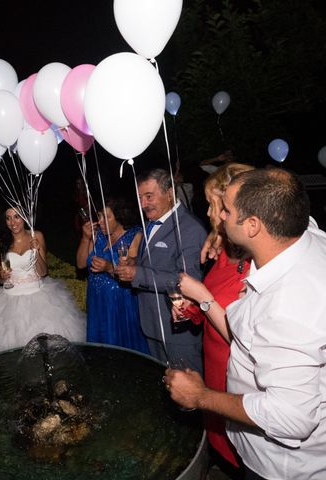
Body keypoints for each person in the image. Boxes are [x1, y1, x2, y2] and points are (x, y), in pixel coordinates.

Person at [165, 168, 326, 480]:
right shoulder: (305, 235)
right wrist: (222, 236)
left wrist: (200, 396)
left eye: (227, 211)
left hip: (281, 468)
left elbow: (291, 418)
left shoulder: (286, 306)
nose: (219, 217)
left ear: (254, 225)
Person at [172, 162, 254, 476]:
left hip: (238, 376)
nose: (207, 213)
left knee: (242, 456)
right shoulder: (226, 249)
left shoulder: (257, 265)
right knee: (221, 447)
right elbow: (215, 304)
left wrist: (201, 295)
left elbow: (243, 339)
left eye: (213, 205)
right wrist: (190, 307)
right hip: (215, 367)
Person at [115, 168, 207, 373]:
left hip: (177, 328)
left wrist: (138, 274)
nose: (143, 204)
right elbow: (154, 262)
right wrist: (134, 263)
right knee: (165, 384)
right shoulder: (151, 223)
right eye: (140, 198)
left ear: (169, 192)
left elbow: (187, 281)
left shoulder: (190, 229)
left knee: (188, 393)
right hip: (152, 322)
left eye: (149, 196)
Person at [0, 207, 86, 362]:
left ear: (24, 218)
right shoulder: (0, 243)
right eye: (8, 218)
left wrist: (36, 252)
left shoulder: (37, 236)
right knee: (13, 353)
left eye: (17, 217)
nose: (13, 222)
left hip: (39, 297)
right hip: (9, 300)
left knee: (48, 353)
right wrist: (1, 276)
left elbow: (43, 272)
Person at [76, 197, 148, 353]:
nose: (100, 221)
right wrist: (85, 237)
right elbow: (81, 264)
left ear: (120, 216)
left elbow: (132, 270)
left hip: (120, 301)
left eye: (106, 217)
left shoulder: (135, 235)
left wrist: (109, 267)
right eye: (99, 216)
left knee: (121, 346)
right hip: (96, 300)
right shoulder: (99, 235)